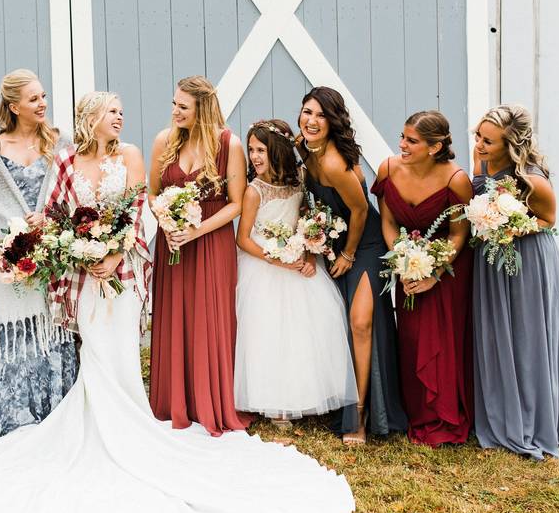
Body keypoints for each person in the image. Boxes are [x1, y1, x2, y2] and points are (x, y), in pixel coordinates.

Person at [0, 92, 356, 513]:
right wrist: (70, 247)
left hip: (124, 273)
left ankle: (131, 419)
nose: (120, 117)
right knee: (94, 351)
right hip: (84, 274)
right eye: (112, 112)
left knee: (120, 351)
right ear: (91, 118)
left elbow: (138, 209)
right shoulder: (66, 161)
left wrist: (114, 254)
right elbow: (55, 212)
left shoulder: (131, 155)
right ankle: (99, 425)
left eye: (121, 110)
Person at [0, 68, 76, 439]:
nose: (42, 103)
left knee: (50, 326)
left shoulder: (60, 143)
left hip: (49, 248)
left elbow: (73, 192)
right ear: (14, 107)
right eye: (34, 99)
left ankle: (53, 405)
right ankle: (13, 409)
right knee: (15, 325)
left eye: (43, 96)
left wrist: (49, 216)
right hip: (7, 252)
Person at [299, 87, 407, 444]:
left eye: (321, 115)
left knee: (361, 323)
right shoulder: (305, 148)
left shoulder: (332, 162)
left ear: (333, 122)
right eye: (307, 112)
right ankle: (339, 398)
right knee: (337, 322)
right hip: (337, 242)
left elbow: (360, 209)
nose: (312, 121)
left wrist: (347, 254)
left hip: (366, 244)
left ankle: (359, 416)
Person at [471, 104, 559, 459]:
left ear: (510, 145)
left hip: (528, 258)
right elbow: (477, 190)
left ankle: (531, 419)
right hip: (493, 259)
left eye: (488, 141)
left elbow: (547, 220)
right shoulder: (482, 160)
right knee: (496, 333)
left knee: (528, 336)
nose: (480, 145)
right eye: (478, 136)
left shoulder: (533, 181)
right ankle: (501, 411)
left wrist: (509, 227)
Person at [148, 75, 252, 436]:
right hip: (173, 242)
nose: (174, 111)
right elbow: (152, 194)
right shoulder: (164, 142)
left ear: (202, 109)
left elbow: (236, 203)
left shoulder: (229, 144)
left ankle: (211, 400)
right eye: (174, 104)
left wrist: (196, 230)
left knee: (209, 317)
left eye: (182, 107)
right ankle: (174, 400)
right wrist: (167, 222)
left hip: (210, 242)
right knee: (176, 315)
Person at [234, 119, 357, 422]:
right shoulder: (254, 191)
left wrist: (309, 254)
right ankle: (273, 401)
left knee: (310, 327)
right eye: (251, 150)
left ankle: (305, 394)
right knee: (269, 332)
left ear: (277, 150)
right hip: (264, 264)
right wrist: (276, 260)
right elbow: (243, 238)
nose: (255, 157)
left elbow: (307, 220)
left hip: (297, 257)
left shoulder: (299, 180)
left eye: (260, 149)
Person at [372, 110, 474, 446]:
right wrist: (402, 260)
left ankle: (443, 415)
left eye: (411, 140)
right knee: (412, 338)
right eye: (402, 137)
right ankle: (415, 412)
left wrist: (434, 272)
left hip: (447, 273)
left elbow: (460, 234)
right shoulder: (388, 168)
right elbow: (387, 222)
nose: (401, 144)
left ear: (434, 147)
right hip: (407, 267)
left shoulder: (455, 179)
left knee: (441, 342)